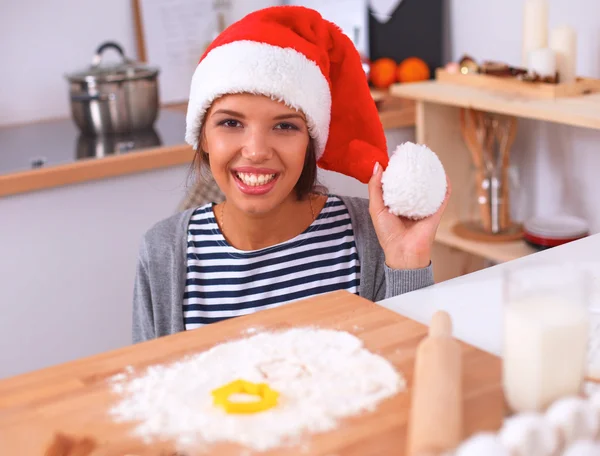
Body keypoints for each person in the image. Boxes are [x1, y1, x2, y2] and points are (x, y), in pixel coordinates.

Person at [132, 5, 450, 343]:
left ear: (310, 143)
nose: (256, 151)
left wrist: (408, 264)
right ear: (203, 136)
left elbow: (414, 368)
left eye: (284, 126)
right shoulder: (164, 252)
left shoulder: (371, 236)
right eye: (230, 123)